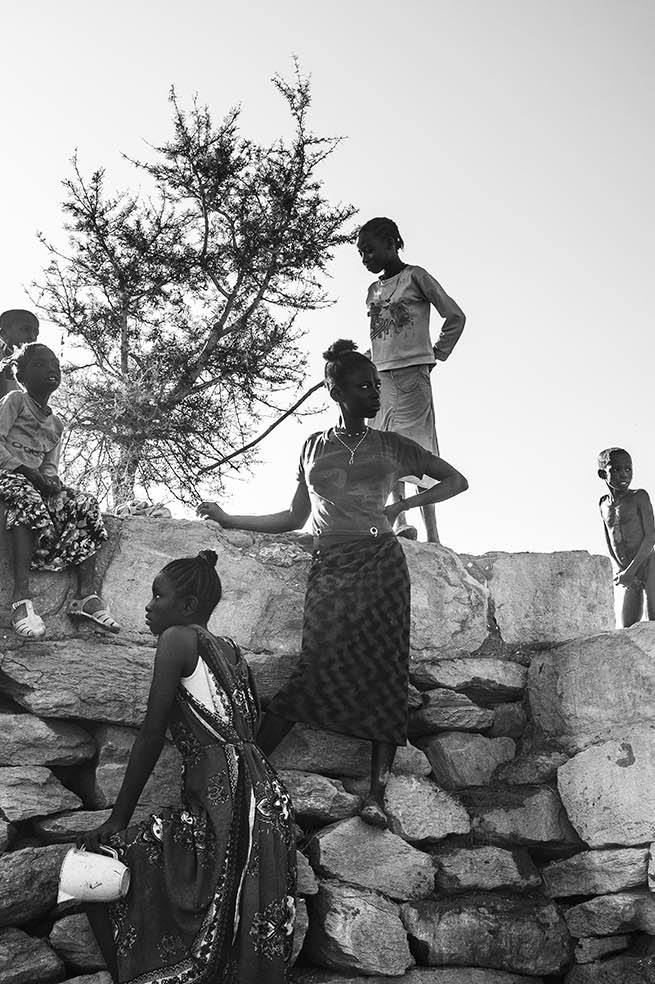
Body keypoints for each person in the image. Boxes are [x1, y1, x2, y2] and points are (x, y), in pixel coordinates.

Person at [197, 339, 468, 827]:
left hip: (382, 564)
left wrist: (400, 506)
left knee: (387, 673)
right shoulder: (313, 446)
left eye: (377, 386)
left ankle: (376, 796)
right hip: (332, 564)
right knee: (313, 668)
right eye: (364, 387)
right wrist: (229, 518)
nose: (375, 394)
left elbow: (456, 481)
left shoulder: (392, 445)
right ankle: (246, 773)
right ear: (336, 391)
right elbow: (294, 517)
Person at [78, 550, 296, 984]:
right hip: (266, 803)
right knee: (238, 927)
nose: (148, 605)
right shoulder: (231, 650)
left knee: (92, 867)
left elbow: (152, 733)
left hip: (227, 805)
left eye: (158, 595)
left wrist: (118, 817)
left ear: (188, 605)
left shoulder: (177, 638)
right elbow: (248, 730)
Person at [0, 342, 116, 638]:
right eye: (40, 365)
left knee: (84, 503)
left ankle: (86, 595)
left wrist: (52, 483)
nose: (51, 369)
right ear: (21, 375)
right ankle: (20, 599)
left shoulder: (56, 424)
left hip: (32, 481)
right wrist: (26, 471)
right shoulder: (15, 400)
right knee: (25, 495)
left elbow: (50, 466)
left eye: (55, 365)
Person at [356, 216, 466, 544]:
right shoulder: (373, 291)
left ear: (391, 244)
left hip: (413, 376)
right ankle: (400, 521)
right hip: (380, 377)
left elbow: (455, 316)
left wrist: (435, 355)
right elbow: (381, 337)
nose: (365, 259)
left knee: (418, 451)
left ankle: (433, 534)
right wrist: (359, 361)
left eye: (370, 250)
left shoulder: (415, 277)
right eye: (361, 253)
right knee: (383, 448)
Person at [598, 446, 655, 626]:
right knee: (627, 628)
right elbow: (609, 540)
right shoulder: (603, 504)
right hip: (627, 569)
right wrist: (622, 570)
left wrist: (630, 571)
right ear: (603, 474)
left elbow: (651, 537)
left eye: (628, 469)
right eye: (616, 469)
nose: (624, 474)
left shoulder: (639, 497)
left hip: (647, 565)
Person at [0, 308, 40, 425]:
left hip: (19, 419)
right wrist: (4, 410)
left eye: (36, 333)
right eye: (25, 330)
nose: (32, 336)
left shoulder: (27, 361)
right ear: (3, 334)